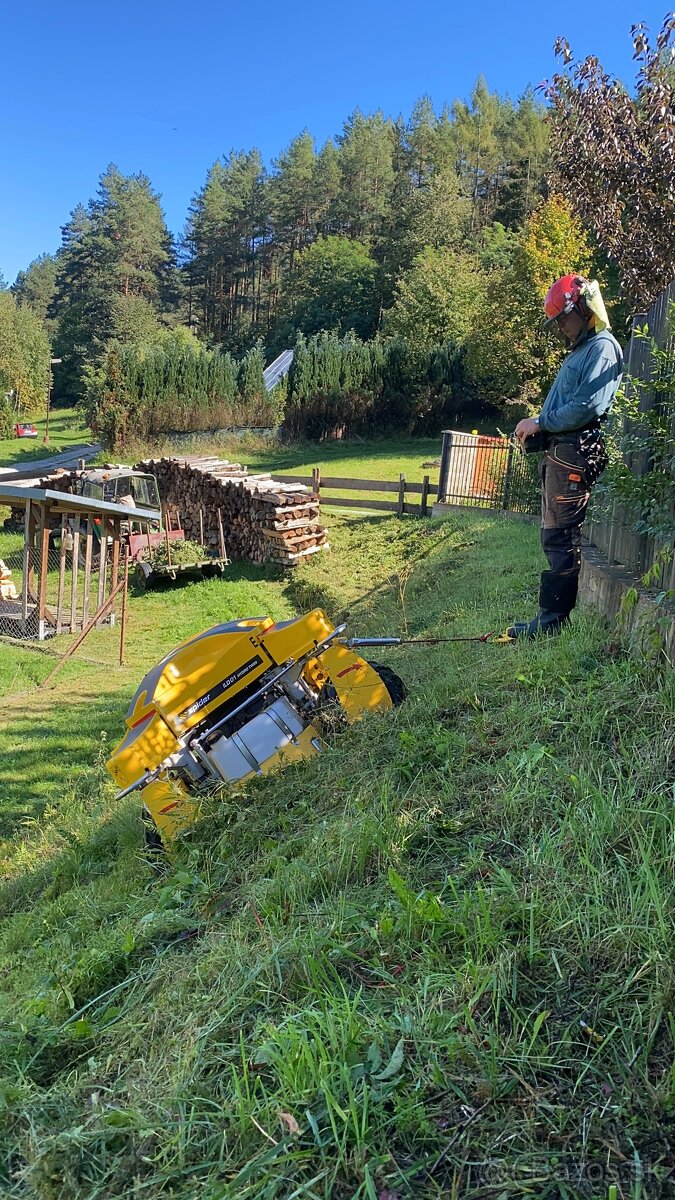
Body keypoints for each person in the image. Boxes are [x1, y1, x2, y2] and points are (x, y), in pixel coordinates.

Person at [508, 274, 623, 639]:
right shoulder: (582, 351)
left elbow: (587, 406)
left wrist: (541, 421)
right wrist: (539, 424)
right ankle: (550, 617)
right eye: (555, 321)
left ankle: (552, 622)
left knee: (562, 537)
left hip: (574, 452)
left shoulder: (603, 348)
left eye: (563, 317)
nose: (560, 326)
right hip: (561, 452)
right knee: (553, 535)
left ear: (584, 308)